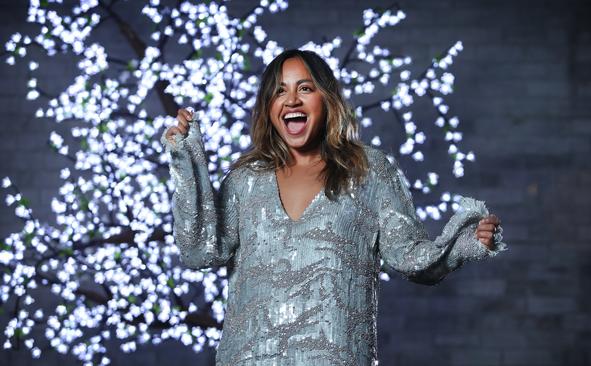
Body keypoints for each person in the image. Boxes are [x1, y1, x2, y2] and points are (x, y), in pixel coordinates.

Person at [161, 49, 507, 365]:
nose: (291, 99)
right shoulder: (245, 180)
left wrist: (466, 244)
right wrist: (188, 158)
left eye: (305, 88)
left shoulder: (369, 171)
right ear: (268, 106)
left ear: (327, 99)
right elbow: (201, 251)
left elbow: (411, 258)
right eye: (280, 91)